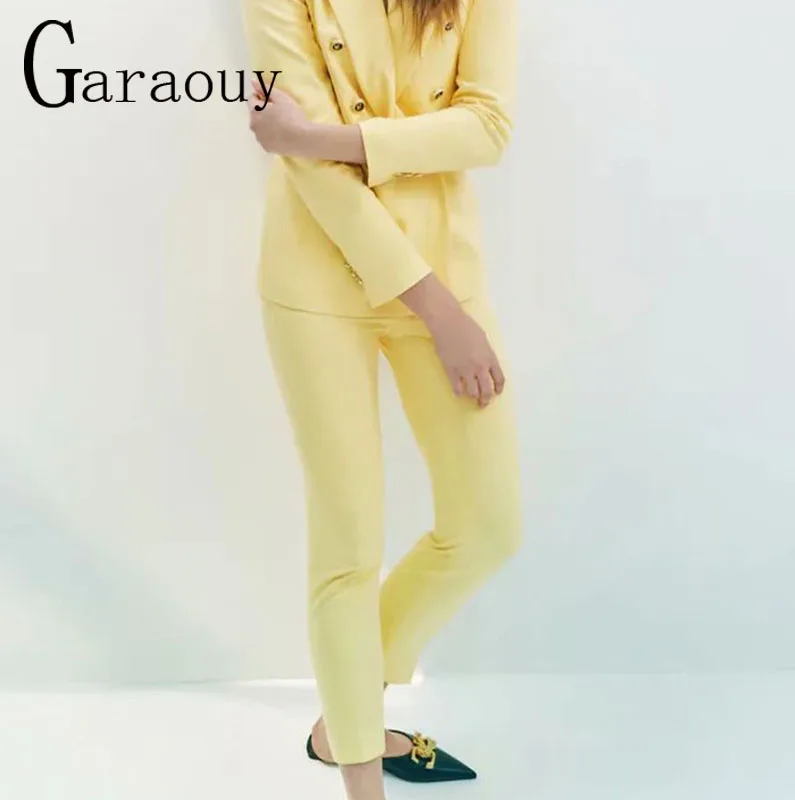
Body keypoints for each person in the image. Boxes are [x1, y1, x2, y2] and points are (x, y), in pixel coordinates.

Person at [241, 1, 520, 798]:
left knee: (488, 527)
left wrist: (322, 138)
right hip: (317, 277)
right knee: (349, 546)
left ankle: (346, 713)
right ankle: (363, 777)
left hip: (447, 271)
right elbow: (306, 169)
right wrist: (436, 308)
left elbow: (487, 127)